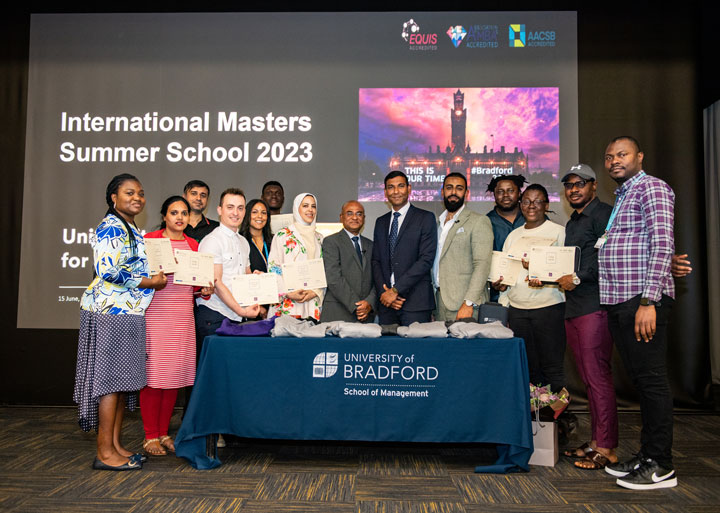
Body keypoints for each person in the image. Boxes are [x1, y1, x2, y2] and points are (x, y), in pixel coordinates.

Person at [73, 173, 167, 471]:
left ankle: (114, 446)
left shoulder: (129, 227)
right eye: (129, 192)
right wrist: (150, 281)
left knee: (119, 382)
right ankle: (104, 453)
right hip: (112, 313)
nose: (137, 197)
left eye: (141, 193)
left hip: (127, 314)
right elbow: (108, 270)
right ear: (113, 197)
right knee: (110, 383)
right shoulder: (111, 226)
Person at [599, 136, 677, 490]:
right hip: (620, 300)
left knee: (652, 381)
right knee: (641, 382)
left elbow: (662, 243)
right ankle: (648, 454)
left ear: (639, 157)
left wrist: (649, 301)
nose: (615, 160)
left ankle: (661, 465)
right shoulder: (623, 195)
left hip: (640, 301)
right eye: (610, 156)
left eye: (622, 154)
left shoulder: (652, 188)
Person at [555, 164, 618, 470]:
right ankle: (596, 441)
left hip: (596, 307)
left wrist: (577, 278)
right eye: (569, 185)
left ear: (594, 186)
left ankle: (606, 448)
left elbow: (608, 257)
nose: (574, 190)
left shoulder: (604, 214)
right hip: (574, 308)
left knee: (598, 378)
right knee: (588, 379)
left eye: (580, 184)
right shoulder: (573, 222)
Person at [141, 196, 213, 456]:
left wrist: (203, 289)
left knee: (174, 378)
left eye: (183, 213)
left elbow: (193, 285)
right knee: (154, 378)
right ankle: (149, 436)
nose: (180, 217)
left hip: (183, 317)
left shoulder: (192, 244)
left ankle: (163, 433)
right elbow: (139, 276)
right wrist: (152, 280)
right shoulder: (150, 240)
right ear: (164, 216)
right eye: (174, 212)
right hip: (157, 316)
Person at [493, 184, 568, 404]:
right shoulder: (513, 236)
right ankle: (535, 422)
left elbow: (567, 273)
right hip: (518, 311)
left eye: (537, 201)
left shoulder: (559, 232)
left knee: (552, 368)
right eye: (526, 201)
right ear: (520, 204)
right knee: (529, 369)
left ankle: (556, 424)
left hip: (549, 309)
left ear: (546, 205)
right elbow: (507, 276)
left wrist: (545, 275)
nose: (531, 206)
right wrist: (502, 291)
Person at [195, 188, 260, 349]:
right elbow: (216, 284)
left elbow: (245, 275)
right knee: (214, 371)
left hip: (236, 317)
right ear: (219, 210)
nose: (235, 213)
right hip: (215, 315)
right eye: (230, 207)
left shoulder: (244, 242)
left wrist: (256, 278)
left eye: (240, 208)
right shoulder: (213, 241)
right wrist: (242, 311)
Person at [371, 171, 437, 325]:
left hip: (416, 303)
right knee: (388, 349)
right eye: (391, 187)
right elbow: (376, 261)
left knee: (417, 349)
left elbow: (425, 260)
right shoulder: (380, 222)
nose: (396, 191)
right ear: (385, 192)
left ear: (409, 188)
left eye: (400, 186)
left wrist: (396, 291)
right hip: (387, 305)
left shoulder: (425, 218)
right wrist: (385, 294)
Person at [433, 172, 494, 321]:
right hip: (439, 302)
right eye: (449, 187)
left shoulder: (478, 221)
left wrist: (469, 302)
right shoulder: (436, 224)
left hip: (465, 305)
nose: (453, 192)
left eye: (459, 188)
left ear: (466, 193)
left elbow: (482, 265)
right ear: (442, 192)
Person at [268, 193, 325, 320]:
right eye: (305, 206)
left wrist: (315, 291)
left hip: (311, 300)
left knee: (311, 336)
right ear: (296, 209)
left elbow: (323, 271)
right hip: (288, 301)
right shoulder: (283, 235)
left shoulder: (319, 238)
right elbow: (273, 268)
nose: (310, 210)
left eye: (313, 206)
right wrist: (288, 292)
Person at [320, 200, 376, 323]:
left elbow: (377, 278)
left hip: (366, 316)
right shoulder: (331, 242)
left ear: (364, 218)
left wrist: (369, 303)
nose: (355, 217)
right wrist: (357, 306)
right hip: (338, 314)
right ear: (341, 217)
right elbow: (333, 278)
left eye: (359, 214)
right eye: (349, 213)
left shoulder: (371, 245)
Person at [486, 174, 527, 301]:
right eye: (500, 191)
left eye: (510, 191)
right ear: (494, 195)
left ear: (519, 193)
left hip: (530, 291)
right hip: (498, 293)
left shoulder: (532, 218)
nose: (505, 195)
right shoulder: (485, 221)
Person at [240, 198, 273, 319]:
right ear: (247, 214)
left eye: (264, 213)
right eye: (254, 212)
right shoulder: (240, 241)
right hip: (252, 307)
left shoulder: (274, 241)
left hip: (274, 304)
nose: (260, 216)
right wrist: (257, 305)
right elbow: (241, 277)